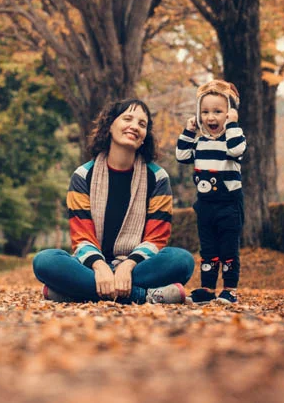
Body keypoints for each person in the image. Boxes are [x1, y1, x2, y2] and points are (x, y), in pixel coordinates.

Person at [33, 98, 195, 304]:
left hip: (138, 266)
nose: (134, 126)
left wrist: (127, 266)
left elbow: (156, 238)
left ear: (145, 137)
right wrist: (100, 267)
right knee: (44, 261)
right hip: (90, 266)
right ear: (110, 125)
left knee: (182, 261)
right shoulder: (83, 175)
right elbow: (81, 236)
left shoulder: (157, 177)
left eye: (142, 124)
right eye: (128, 118)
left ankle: (75, 292)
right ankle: (144, 296)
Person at [176, 79, 246, 304]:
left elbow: (237, 150)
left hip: (229, 204)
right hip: (205, 205)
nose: (211, 117)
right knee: (208, 249)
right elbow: (182, 156)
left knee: (228, 249)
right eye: (205, 112)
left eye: (218, 111)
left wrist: (233, 124)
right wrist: (189, 131)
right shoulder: (200, 142)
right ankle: (207, 289)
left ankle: (230, 290)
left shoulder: (232, 139)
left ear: (229, 113)